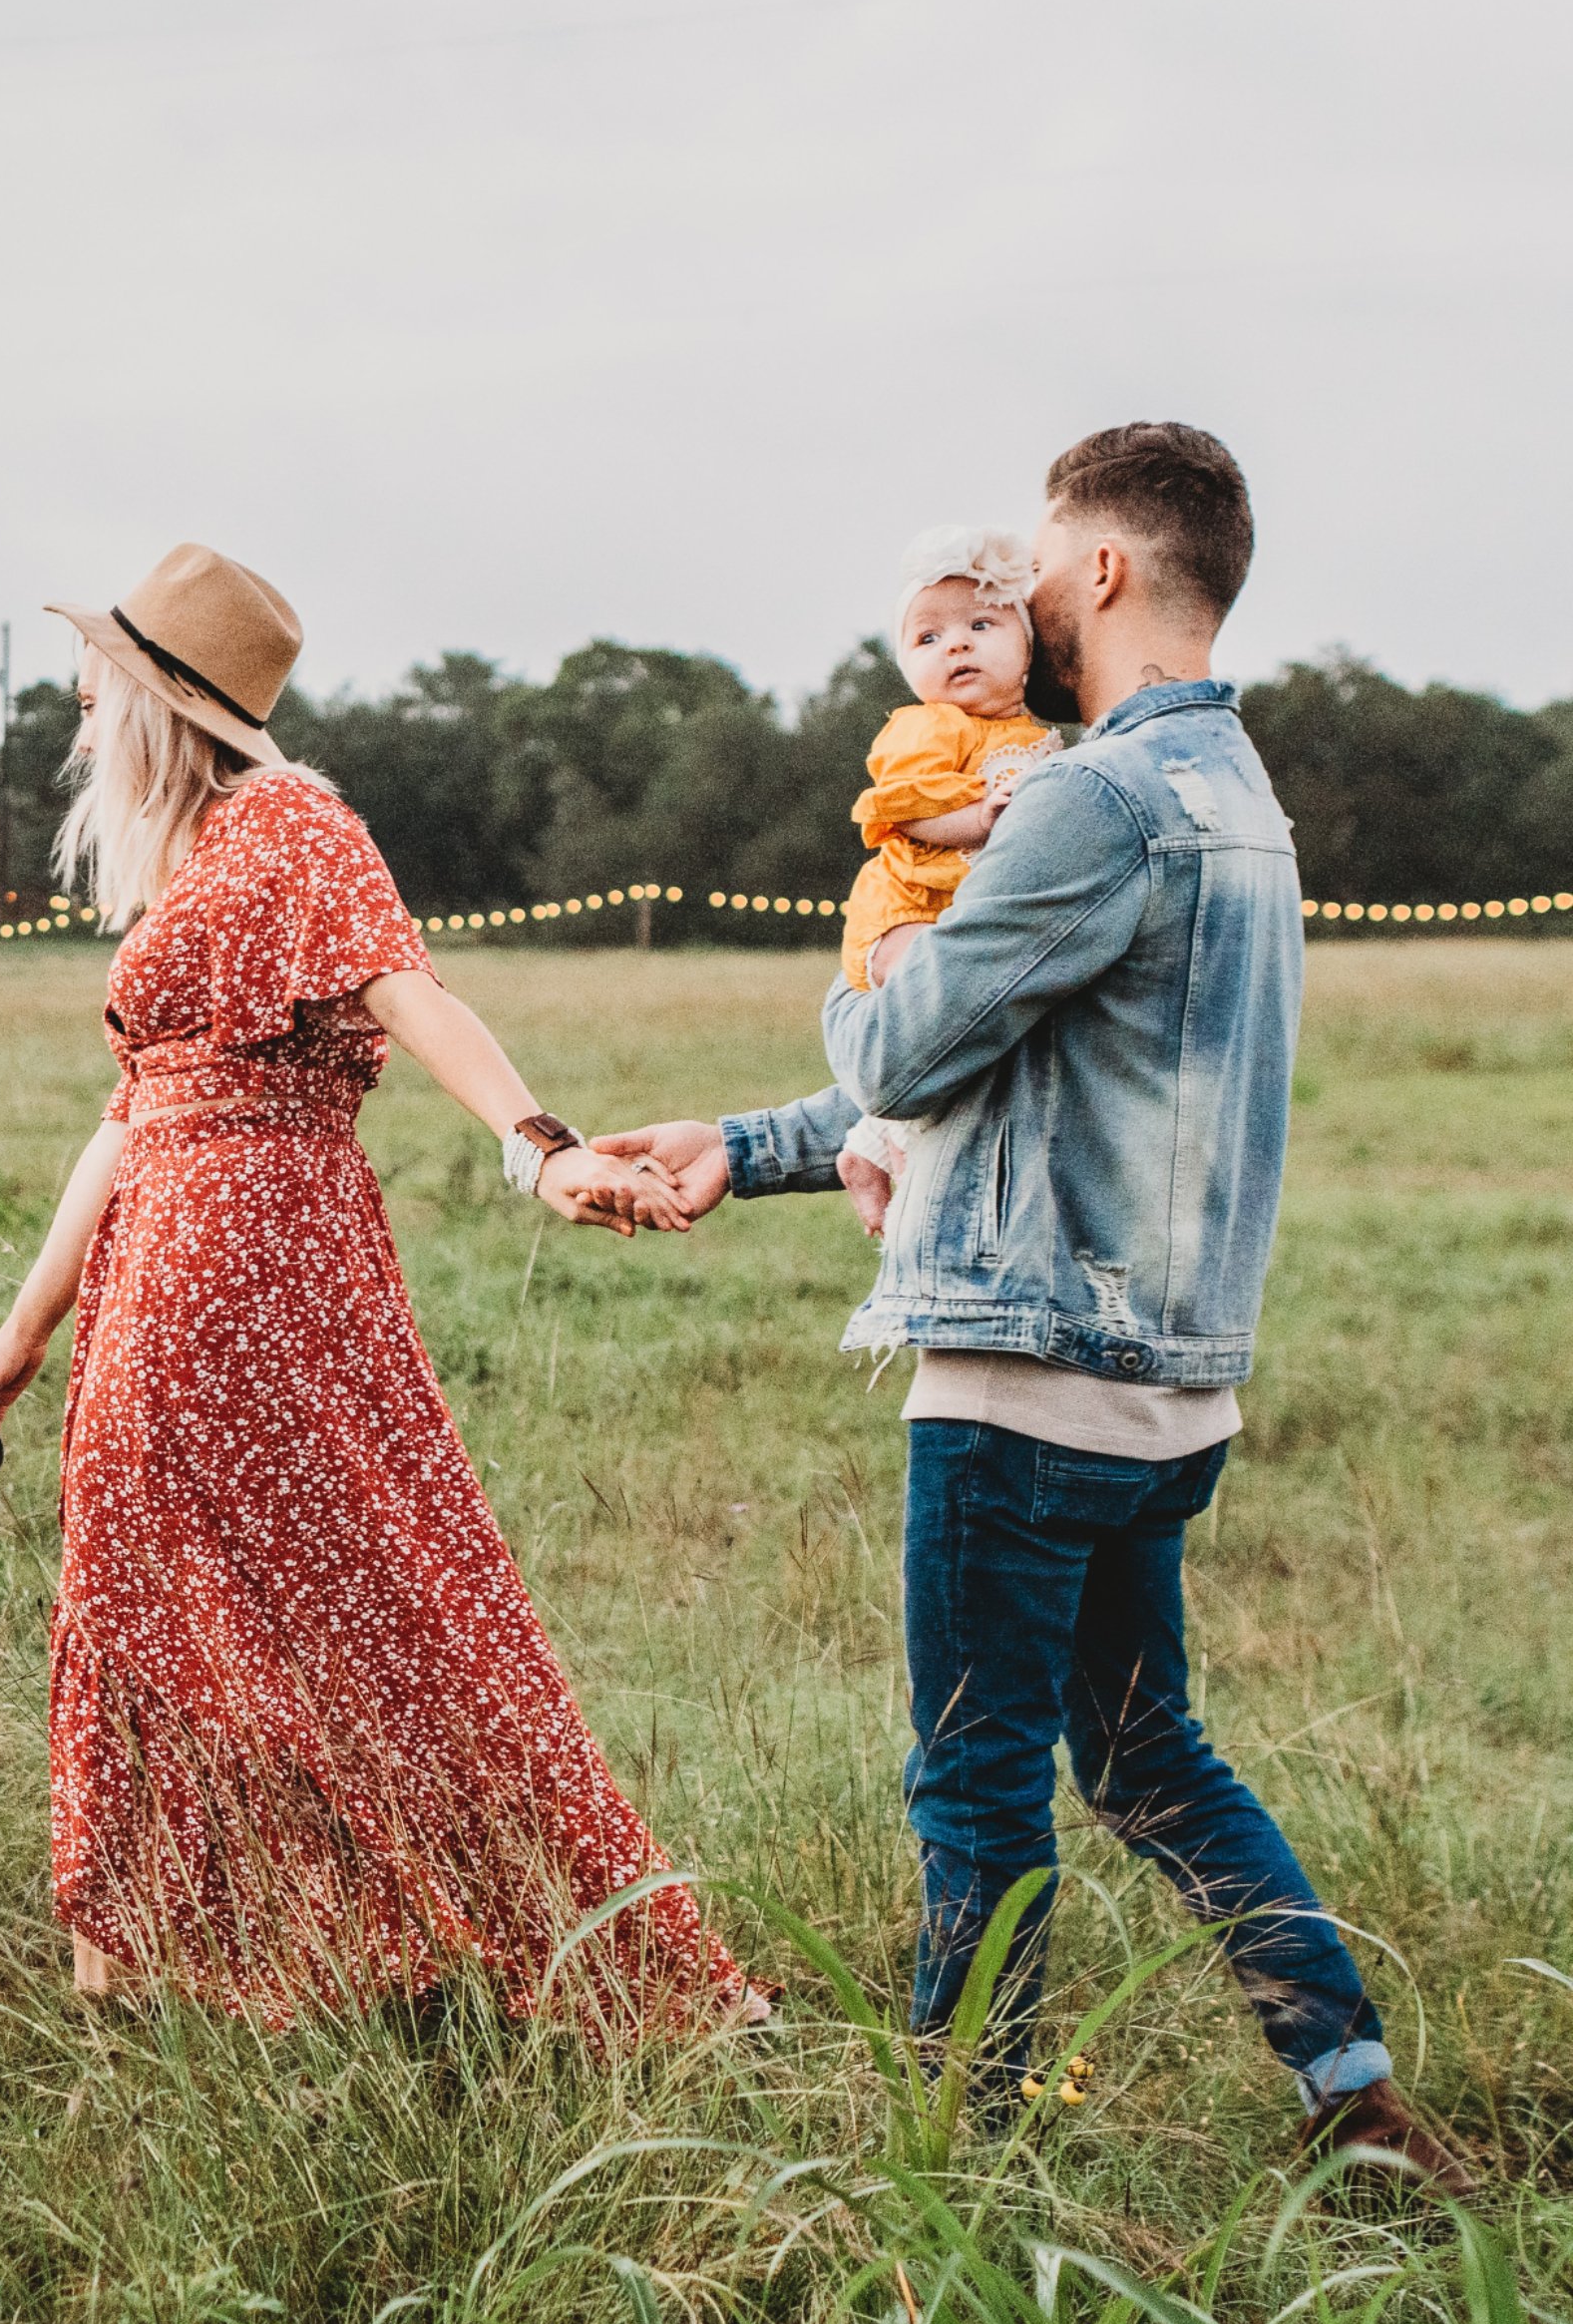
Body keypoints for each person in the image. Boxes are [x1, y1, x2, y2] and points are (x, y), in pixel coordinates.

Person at [596, 425, 1473, 2187]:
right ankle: (1348, 2089)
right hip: (1165, 1390)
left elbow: (912, 1040)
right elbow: (1023, 1069)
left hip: (1021, 1380)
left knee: (971, 1783)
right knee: (1146, 1752)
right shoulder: (1237, 798)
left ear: (1098, 572)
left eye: (1034, 565)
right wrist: (745, 1144)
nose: (1010, 599)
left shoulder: (1087, 797)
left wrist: (867, 969)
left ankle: (953, 2153)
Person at [0, 542, 753, 2031]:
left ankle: (497, 1946)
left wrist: (540, 1145)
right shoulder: (192, 859)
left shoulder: (292, 823)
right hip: (169, 1254)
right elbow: (127, 1120)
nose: (73, 701)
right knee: (172, 1597)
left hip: (248, 1256)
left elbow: (410, 988)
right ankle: (193, 1960)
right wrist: (18, 1334)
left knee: (363, 1596)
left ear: (158, 698)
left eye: (94, 677)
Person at [834, 529, 1061, 1233]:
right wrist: (978, 819)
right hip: (905, 908)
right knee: (928, 1006)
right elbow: (903, 811)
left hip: (960, 913)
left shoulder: (1036, 735)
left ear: (1028, 649)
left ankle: (873, 1143)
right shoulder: (929, 728)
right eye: (927, 638)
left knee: (969, 1028)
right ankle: (886, 1148)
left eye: (981, 625)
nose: (955, 646)